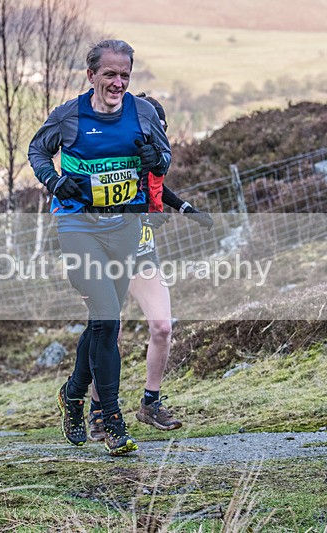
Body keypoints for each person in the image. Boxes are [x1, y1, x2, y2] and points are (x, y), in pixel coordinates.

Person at [28, 40, 171, 456]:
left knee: (102, 320)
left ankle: (72, 394)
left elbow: (164, 159)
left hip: (124, 227)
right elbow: (38, 150)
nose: (118, 82)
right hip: (78, 226)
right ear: (91, 76)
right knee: (107, 319)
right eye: (110, 74)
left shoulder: (142, 113)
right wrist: (55, 181)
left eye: (125, 75)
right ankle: (111, 419)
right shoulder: (70, 115)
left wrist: (153, 159)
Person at [87, 94, 214, 441]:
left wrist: (185, 208)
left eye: (160, 128)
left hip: (143, 254)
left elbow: (157, 186)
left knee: (161, 327)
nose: (154, 134)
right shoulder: (110, 152)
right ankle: (98, 411)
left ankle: (150, 403)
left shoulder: (151, 157)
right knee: (107, 332)